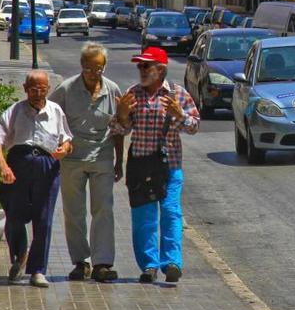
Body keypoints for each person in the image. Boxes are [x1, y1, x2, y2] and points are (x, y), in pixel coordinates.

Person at [111, 47, 200, 284]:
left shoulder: (178, 94)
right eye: (140, 66)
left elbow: (194, 127)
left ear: (160, 70)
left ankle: (172, 263)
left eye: (146, 66)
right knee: (144, 216)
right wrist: (121, 116)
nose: (141, 70)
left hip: (170, 165)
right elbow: (120, 131)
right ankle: (149, 266)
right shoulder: (133, 94)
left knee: (171, 212)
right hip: (141, 165)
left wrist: (180, 115)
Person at [0, 70, 73, 288]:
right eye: (33, 89)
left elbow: (67, 140)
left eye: (42, 89)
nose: (38, 93)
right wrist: (4, 166)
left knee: (43, 220)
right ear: (25, 89)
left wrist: (64, 149)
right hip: (19, 165)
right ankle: (19, 256)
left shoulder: (56, 111)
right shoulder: (15, 111)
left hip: (47, 167)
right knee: (15, 217)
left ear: (48, 89)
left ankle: (38, 270)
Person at [49, 43, 123, 283]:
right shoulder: (66, 89)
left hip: (102, 157)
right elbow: (50, 117)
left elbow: (119, 127)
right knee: (74, 212)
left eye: (99, 68)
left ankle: (102, 262)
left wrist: (119, 161)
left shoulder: (112, 90)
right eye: (89, 68)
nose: (94, 73)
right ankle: (81, 262)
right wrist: (58, 146)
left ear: (104, 67)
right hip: (72, 159)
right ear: (82, 67)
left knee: (104, 210)